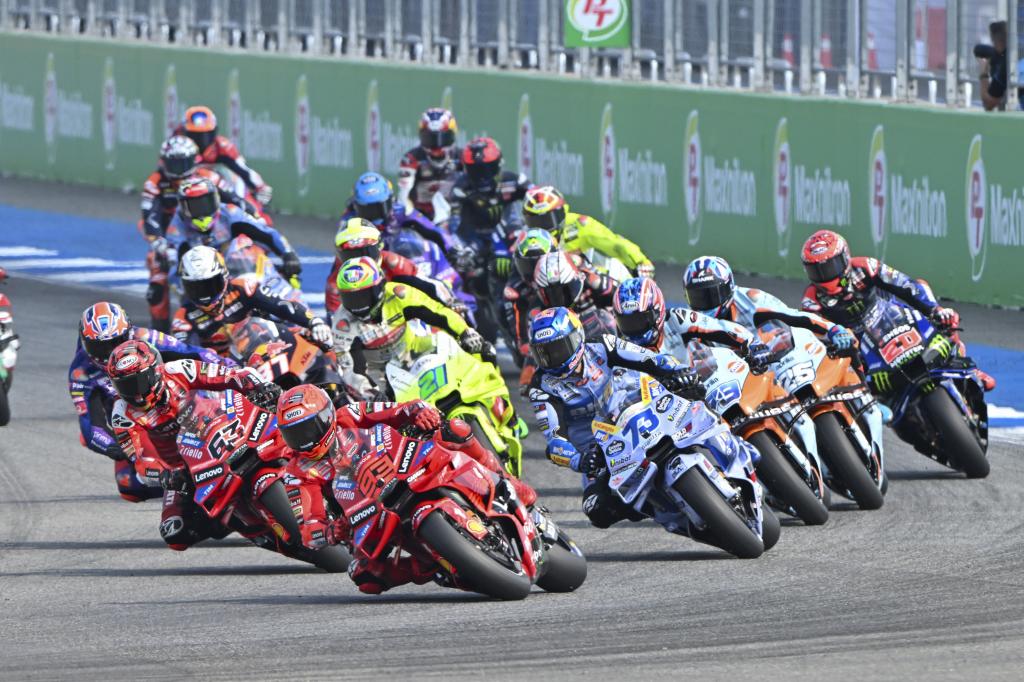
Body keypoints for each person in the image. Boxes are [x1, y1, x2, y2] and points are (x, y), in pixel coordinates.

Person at [275, 384, 536, 594]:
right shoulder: (298, 473)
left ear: (327, 416)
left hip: (403, 463)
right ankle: (435, 565)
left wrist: (419, 413)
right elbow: (310, 533)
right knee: (364, 575)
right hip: (368, 512)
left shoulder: (350, 414)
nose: (304, 440)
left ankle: (505, 481)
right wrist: (333, 531)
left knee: (454, 429)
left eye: (308, 429)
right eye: (294, 434)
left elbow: (400, 409)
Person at [528, 307, 702, 529]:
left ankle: (727, 448)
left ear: (577, 337)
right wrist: (579, 460)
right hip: (602, 452)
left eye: (558, 349)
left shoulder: (602, 345)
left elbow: (648, 358)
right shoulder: (541, 386)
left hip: (641, 411)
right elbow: (555, 441)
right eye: (543, 353)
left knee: (696, 392)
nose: (552, 359)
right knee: (595, 508)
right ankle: (656, 509)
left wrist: (675, 371)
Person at [107, 339, 279, 549]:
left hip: (220, 425)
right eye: (125, 385)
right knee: (175, 532)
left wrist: (259, 387)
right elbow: (140, 461)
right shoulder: (121, 414)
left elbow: (230, 375)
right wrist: (165, 475)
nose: (134, 391)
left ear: (155, 371)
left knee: (279, 410)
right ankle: (238, 523)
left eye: (139, 381)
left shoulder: (179, 370)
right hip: (184, 470)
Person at [70, 301, 228, 502]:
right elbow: (89, 427)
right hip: (139, 427)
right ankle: (184, 488)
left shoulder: (145, 338)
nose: (110, 353)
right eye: (99, 347)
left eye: (115, 343)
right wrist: (118, 448)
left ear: (128, 334)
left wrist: (230, 367)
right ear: (85, 343)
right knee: (129, 485)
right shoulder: (81, 372)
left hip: (180, 404)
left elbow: (193, 352)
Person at [799, 229, 995, 390]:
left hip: (890, 316)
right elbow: (811, 334)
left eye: (830, 266)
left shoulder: (866, 266)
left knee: (926, 292)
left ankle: (967, 366)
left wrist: (935, 310)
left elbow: (905, 285)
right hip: (856, 342)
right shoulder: (811, 300)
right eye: (816, 270)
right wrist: (831, 342)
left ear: (845, 258)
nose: (825, 275)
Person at [330, 257, 492, 397]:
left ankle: (502, 408)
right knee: (383, 410)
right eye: (351, 298)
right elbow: (349, 369)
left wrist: (465, 332)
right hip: (378, 372)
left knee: (479, 352)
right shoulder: (341, 324)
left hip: (413, 350)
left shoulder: (399, 294)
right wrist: (371, 393)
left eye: (363, 296)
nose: (358, 304)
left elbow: (439, 313)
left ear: (379, 288)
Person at [172, 245, 331, 354]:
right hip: (228, 374)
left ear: (224, 276)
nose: (204, 296)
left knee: (322, 340)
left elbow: (281, 305)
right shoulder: (184, 317)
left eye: (209, 285)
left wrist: (313, 322)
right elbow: (180, 352)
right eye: (196, 288)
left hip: (268, 348)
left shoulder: (244, 288)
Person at [682, 255, 856, 352]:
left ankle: (864, 397)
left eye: (711, 295)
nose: (705, 304)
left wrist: (833, 329)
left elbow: (794, 316)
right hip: (735, 383)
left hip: (774, 361)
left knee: (846, 348)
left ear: (729, 287)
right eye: (697, 297)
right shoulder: (690, 322)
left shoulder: (752, 299)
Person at [612, 276, 771, 369]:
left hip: (693, 395)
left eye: (640, 320)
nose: (635, 329)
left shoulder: (676, 318)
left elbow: (720, 327)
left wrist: (750, 342)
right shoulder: (618, 346)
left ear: (657, 311)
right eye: (627, 323)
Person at [324, 218, 467, 317]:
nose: (359, 261)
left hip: (401, 322)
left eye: (365, 252)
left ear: (378, 247)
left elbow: (428, 283)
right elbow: (335, 323)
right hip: (363, 337)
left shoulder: (392, 262)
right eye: (351, 255)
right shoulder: (335, 283)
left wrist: (451, 301)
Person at [522, 185, 654, 278]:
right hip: (550, 290)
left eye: (547, 220)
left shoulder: (580, 224)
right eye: (535, 223)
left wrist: (641, 262)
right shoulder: (527, 239)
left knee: (615, 267)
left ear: (562, 213)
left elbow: (615, 244)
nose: (542, 228)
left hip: (590, 283)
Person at [177, 105, 273, 204]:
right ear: (184, 133)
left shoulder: (222, 146)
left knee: (238, 183)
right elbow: (164, 173)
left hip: (221, 194)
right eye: (194, 136)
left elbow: (243, 170)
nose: (200, 140)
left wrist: (260, 187)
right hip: (186, 196)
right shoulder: (177, 146)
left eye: (205, 135)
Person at [532, 250, 618, 342]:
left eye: (565, 289)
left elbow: (619, 297)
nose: (560, 297)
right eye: (552, 293)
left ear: (576, 278)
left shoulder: (591, 280)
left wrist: (603, 286)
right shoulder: (538, 311)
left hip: (607, 337)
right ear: (541, 292)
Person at [397, 107, 462, 220]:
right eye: (430, 138)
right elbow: (403, 195)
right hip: (421, 218)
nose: (437, 146)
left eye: (443, 138)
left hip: (455, 216)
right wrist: (410, 216)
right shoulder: (411, 159)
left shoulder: (462, 157)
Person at [973, 21, 1014, 111]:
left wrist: (984, 73)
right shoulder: (1004, 55)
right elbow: (979, 50)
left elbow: (989, 103)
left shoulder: (1007, 63)